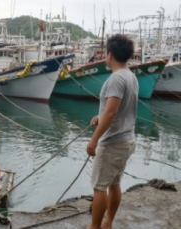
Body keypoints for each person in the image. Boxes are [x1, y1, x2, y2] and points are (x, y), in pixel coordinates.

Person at [86, 34, 138, 229]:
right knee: (114, 183)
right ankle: (108, 222)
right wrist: (100, 116)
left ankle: (95, 226)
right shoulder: (130, 75)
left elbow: (112, 111)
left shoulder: (116, 79)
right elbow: (119, 108)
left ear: (109, 55)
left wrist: (94, 140)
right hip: (127, 139)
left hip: (113, 143)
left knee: (99, 187)